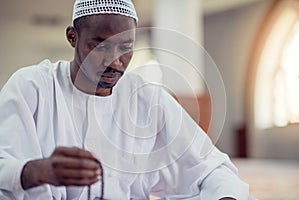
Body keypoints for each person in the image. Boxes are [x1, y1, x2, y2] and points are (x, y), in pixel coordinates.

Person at [0, 0, 249, 199]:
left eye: (125, 48)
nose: (115, 62)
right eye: (101, 47)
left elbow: (211, 167)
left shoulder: (147, 98)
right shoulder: (32, 86)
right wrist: (37, 171)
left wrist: (225, 197)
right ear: (72, 37)